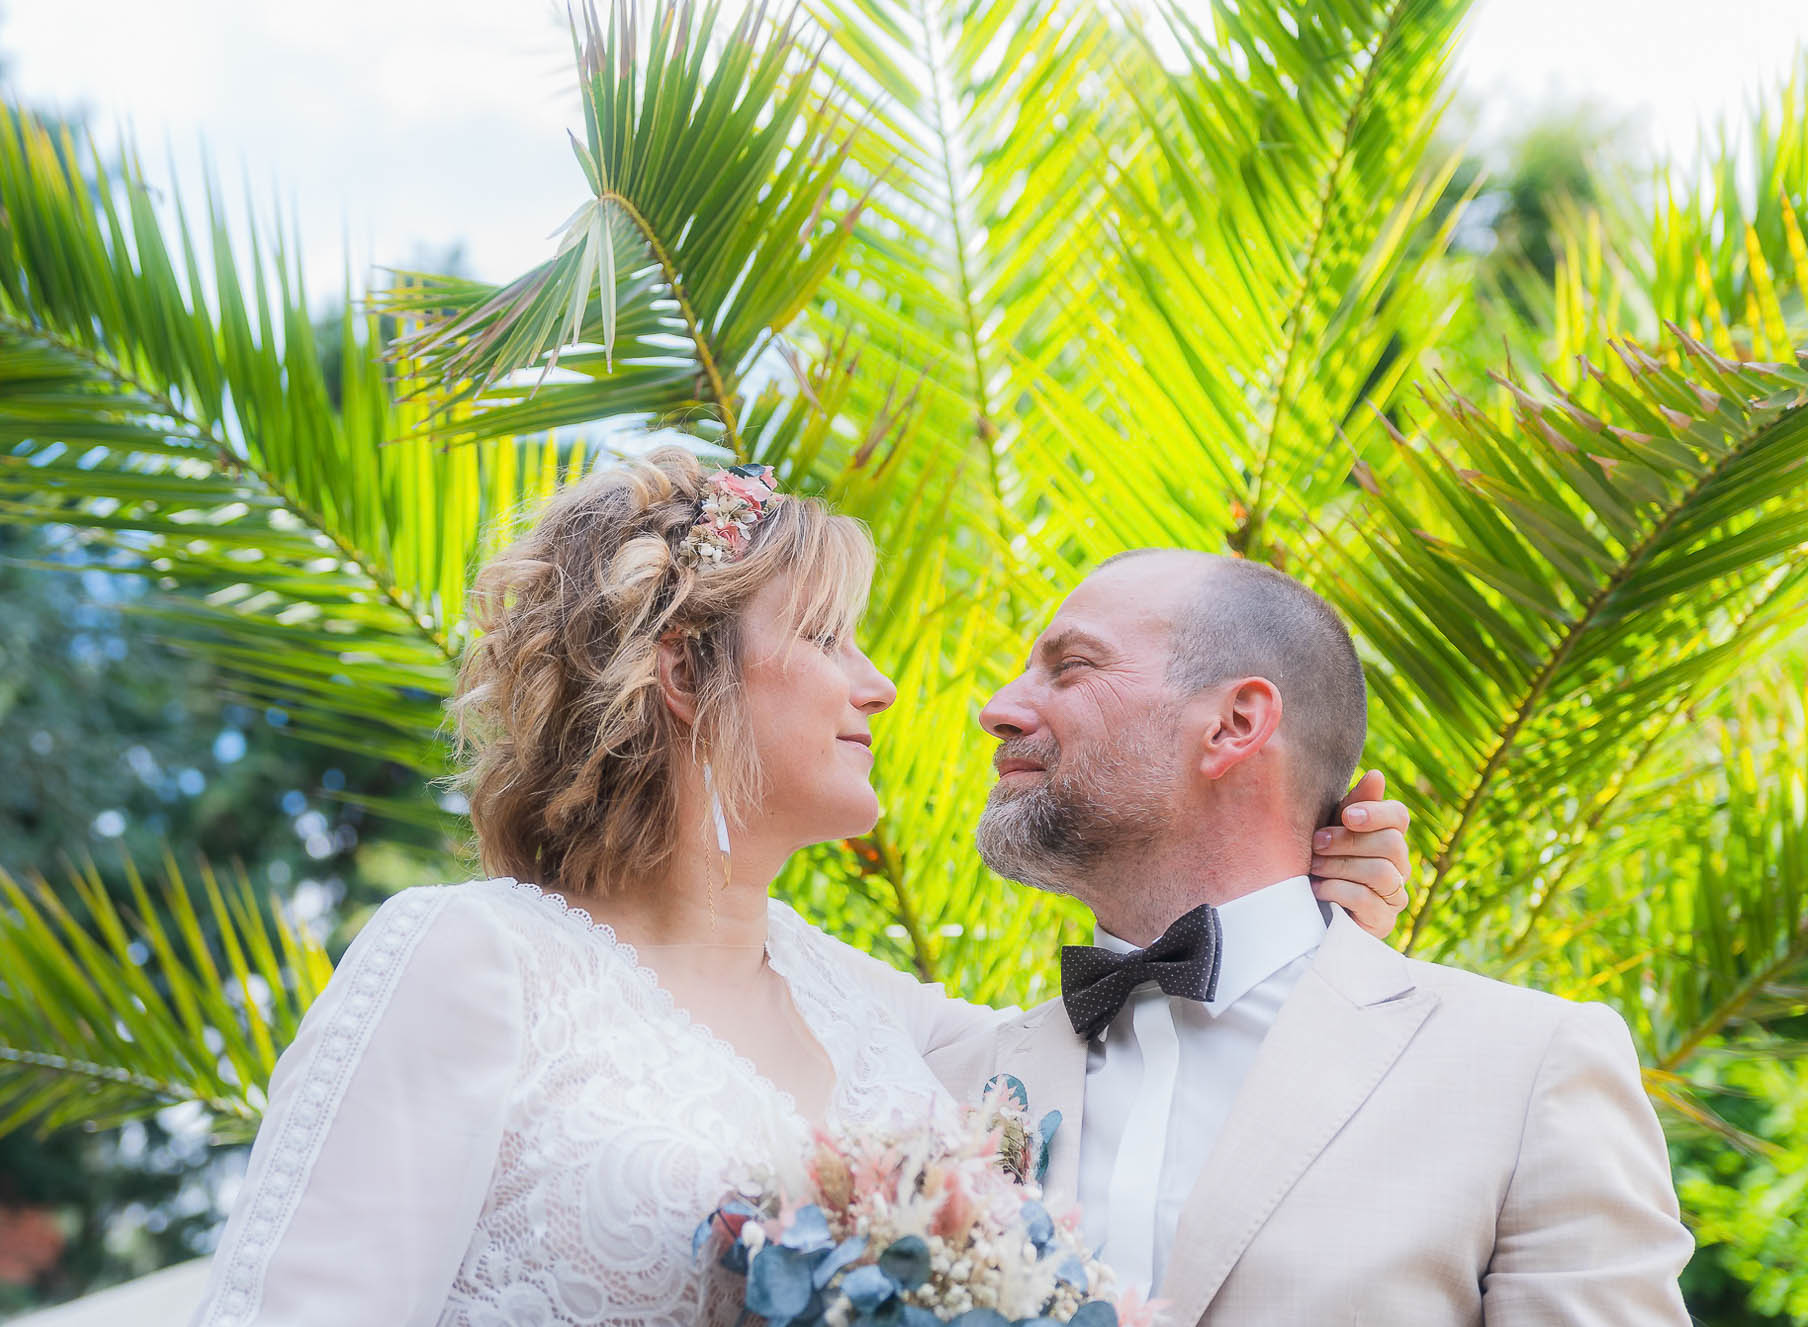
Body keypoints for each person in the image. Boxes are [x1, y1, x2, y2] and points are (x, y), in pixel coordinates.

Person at [189, 453, 1413, 1326]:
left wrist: (1310, 915)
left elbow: (1152, 1031)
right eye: (828, 637)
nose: (876, 685)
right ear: (684, 668)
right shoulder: (468, 958)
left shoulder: (879, 1014)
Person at [924, 549, 1693, 1325]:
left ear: (1234, 724)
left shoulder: (1527, 1068)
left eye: (1071, 667)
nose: (999, 707)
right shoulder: (938, 1075)